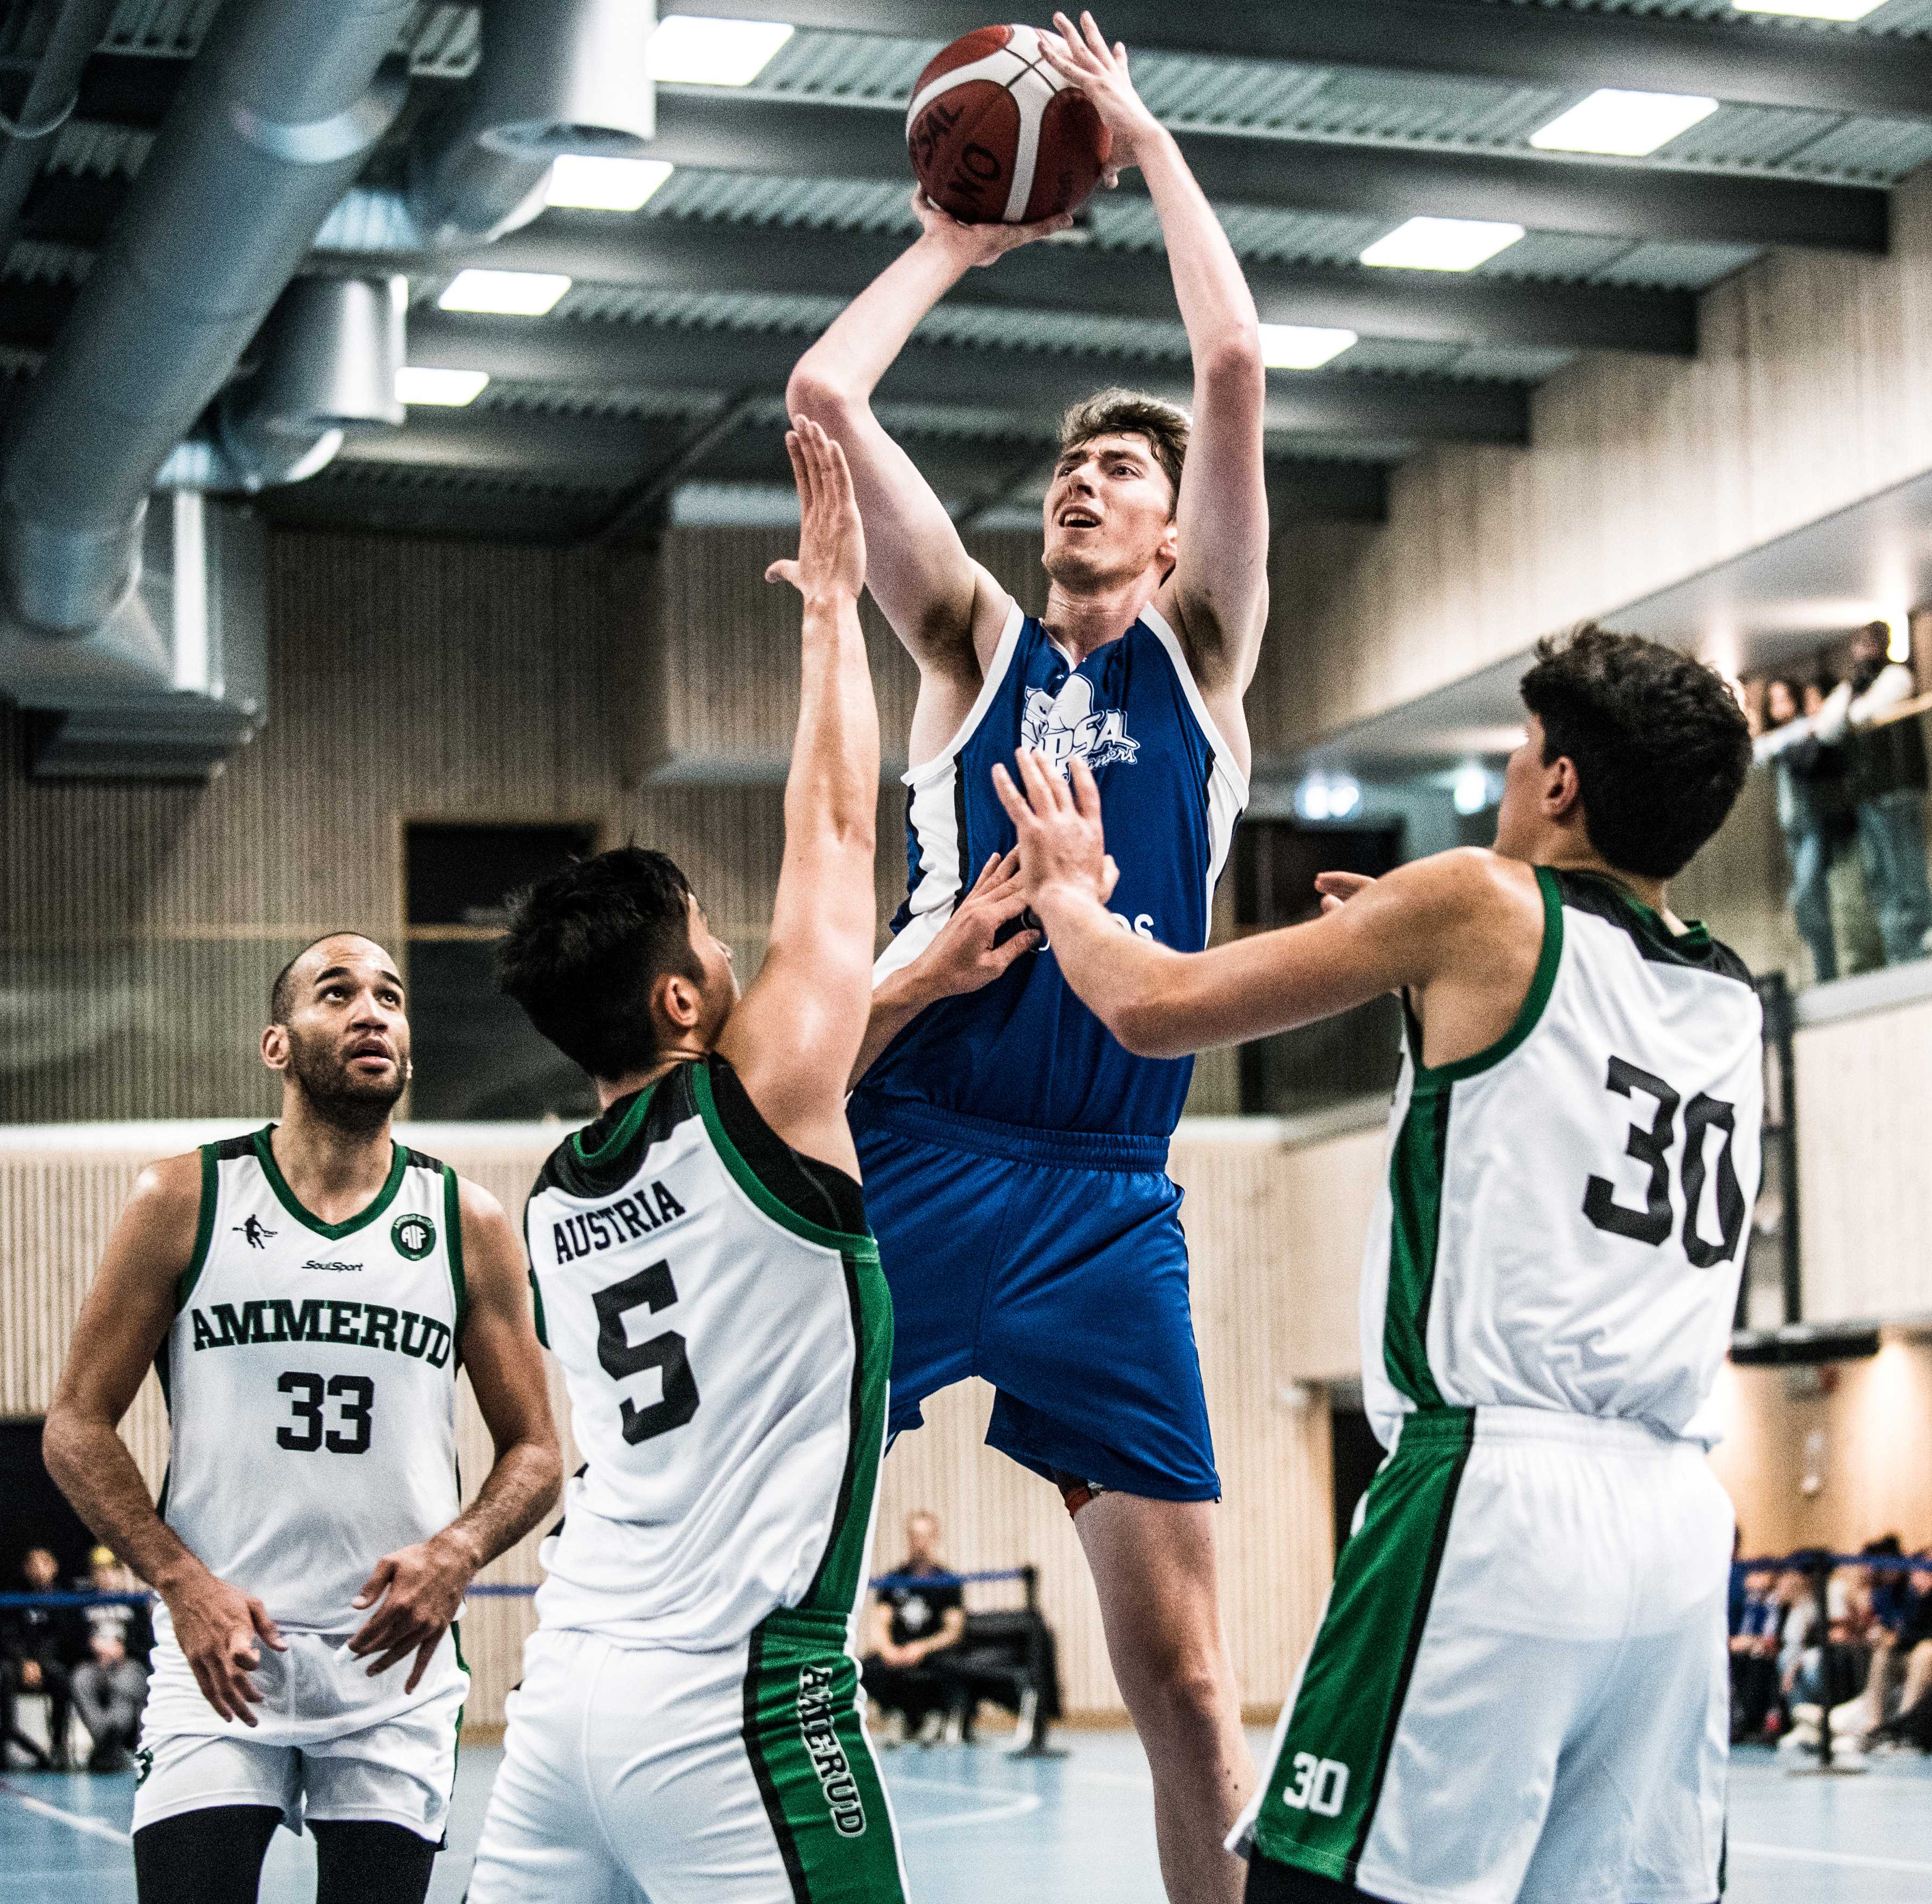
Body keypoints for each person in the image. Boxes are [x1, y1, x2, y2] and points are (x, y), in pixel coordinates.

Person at [996, 624, 1761, 1904]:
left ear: (1562, 782)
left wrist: (1069, 889)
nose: (1510, 781)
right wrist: (1403, 949)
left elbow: (1151, 1005)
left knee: (1318, 1885)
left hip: (1501, 1498)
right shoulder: (1725, 989)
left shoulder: (1474, 903)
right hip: (1680, 1533)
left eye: (1521, 755)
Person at [789, 17, 1269, 1893]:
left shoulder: (1200, 668)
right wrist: (952, 246)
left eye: (1124, 479)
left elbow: (1229, 360)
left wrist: (1140, 144)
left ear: (1166, 543)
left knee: (1183, 1680)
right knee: (771, 1583)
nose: (1088, 485)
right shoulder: (972, 653)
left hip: (1112, 1194)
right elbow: (825, 400)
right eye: (1072, 471)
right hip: (917, 1145)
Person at [467, 419, 910, 1904]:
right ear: (677, 1002)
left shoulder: (557, 1196)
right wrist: (833, 610)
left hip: (560, 1704)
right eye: (716, 944)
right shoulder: (760, 1092)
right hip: (734, 1698)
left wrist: (909, 992)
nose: (736, 956)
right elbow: (840, 831)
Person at [42, 933, 562, 1904]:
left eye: (391, 998)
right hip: (217, 1659)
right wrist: (179, 1582)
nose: (373, 1012)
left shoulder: (464, 1220)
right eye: (337, 993)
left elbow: (534, 1448)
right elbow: (74, 1427)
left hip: (392, 1674)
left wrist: (457, 1553)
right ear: (277, 1045)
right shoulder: (183, 1198)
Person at [1815, 621, 1932, 965]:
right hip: (1867, 793)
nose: (1863, 652)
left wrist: (1853, 705)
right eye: (1858, 645)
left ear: (1884, 643)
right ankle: (1901, 951)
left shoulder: (1897, 675)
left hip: (1898, 787)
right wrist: (1851, 695)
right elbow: (1827, 729)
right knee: (1881, 874)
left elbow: (1861, 714)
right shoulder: (1853, 685)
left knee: (1906, 869)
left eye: (1869, 644)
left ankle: (1919, 946)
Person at [1754, 677, 1842, 983]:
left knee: (1807, 898)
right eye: (1774, 701)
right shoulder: (1781, 739)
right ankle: (1824, 970)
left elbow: (1797, 738)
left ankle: (1827, 972)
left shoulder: (1806, 730)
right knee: (1812, 901)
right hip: (1793, 830)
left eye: (1784, 699)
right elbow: (1759, 752)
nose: (1780, 706)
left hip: (1813, 825)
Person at [863, 1510, 968, 1743]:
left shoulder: (948, 1581)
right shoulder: (893, 1579)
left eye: (926, 1536)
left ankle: (936, 1716)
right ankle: (895, 1716)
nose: (920, 1542)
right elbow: (880, 1623)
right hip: (899, 1654)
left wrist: (922, 1647)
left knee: (952, 1664)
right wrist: (888, 1649)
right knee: (867, 1666)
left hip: (932, 1653)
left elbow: (953, 1631)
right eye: (915, 1536)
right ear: (908, 1538)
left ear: (935, 1538)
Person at [70, 1548, 154, 1771]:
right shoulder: (82, 1604)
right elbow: (70, 1641)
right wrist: (91, 1646)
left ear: (119, 1573)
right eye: (99, 1571)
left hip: (127, 1663)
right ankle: (109, 1743)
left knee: (125, 1684)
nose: (105, 1576)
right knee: (80, 1678)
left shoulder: (133, 1602)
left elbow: (147, 1643)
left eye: (110, 1571)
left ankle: (109, 1745)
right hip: (93, 1663)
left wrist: (123, 1649)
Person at [0, 1546, 78, 1768]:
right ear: (25, 1569)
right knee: (2, 1673)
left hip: (49, 1663)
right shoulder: (16, 1595)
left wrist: (40, 1664)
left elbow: (66, 1640)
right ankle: (5, 1742)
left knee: (62, 1677)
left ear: (54, 1567)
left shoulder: (64, 1599)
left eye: (44, 1563)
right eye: (32, 1564)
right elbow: (8, 1635)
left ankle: (57, 1747)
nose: (38, 1569)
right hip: (18, 1663)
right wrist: (24, 1662)